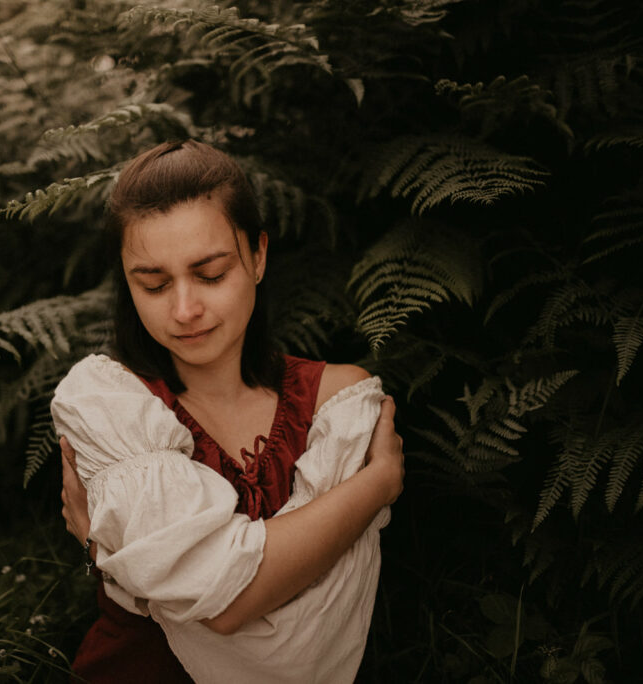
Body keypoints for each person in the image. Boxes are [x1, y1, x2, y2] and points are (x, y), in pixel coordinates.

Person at [52, 140, 405, 683]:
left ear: (258, 256)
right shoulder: (107, 406)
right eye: (153, 284)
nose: (184, 309)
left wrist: (135, 568)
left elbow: (305, 649)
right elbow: (228, 602)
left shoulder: (337, 402)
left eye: (211, 274)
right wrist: (377, 484)